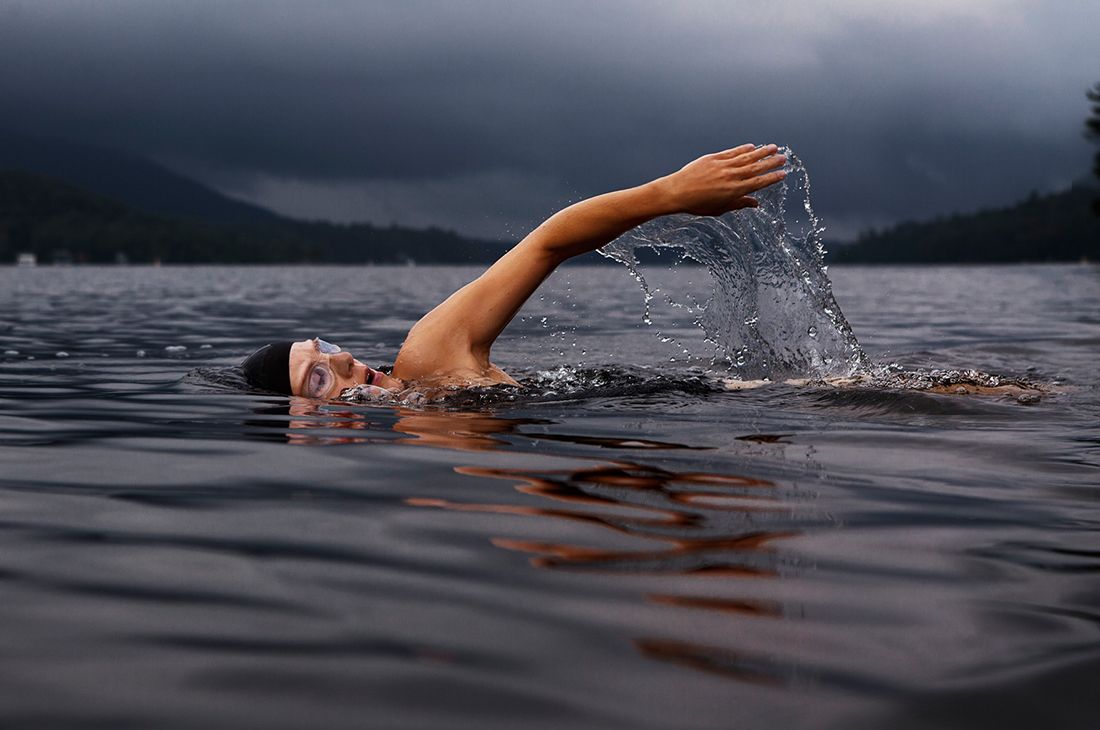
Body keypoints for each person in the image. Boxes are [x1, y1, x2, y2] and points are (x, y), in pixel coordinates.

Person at [240, 144, 788, 398]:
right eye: (317, 377)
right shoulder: (422, 453)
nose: (343, 360)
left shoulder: (427, 358)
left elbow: (546, 244)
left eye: (325, 347)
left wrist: (668, 194)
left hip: (753, 398)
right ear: (301, 429)